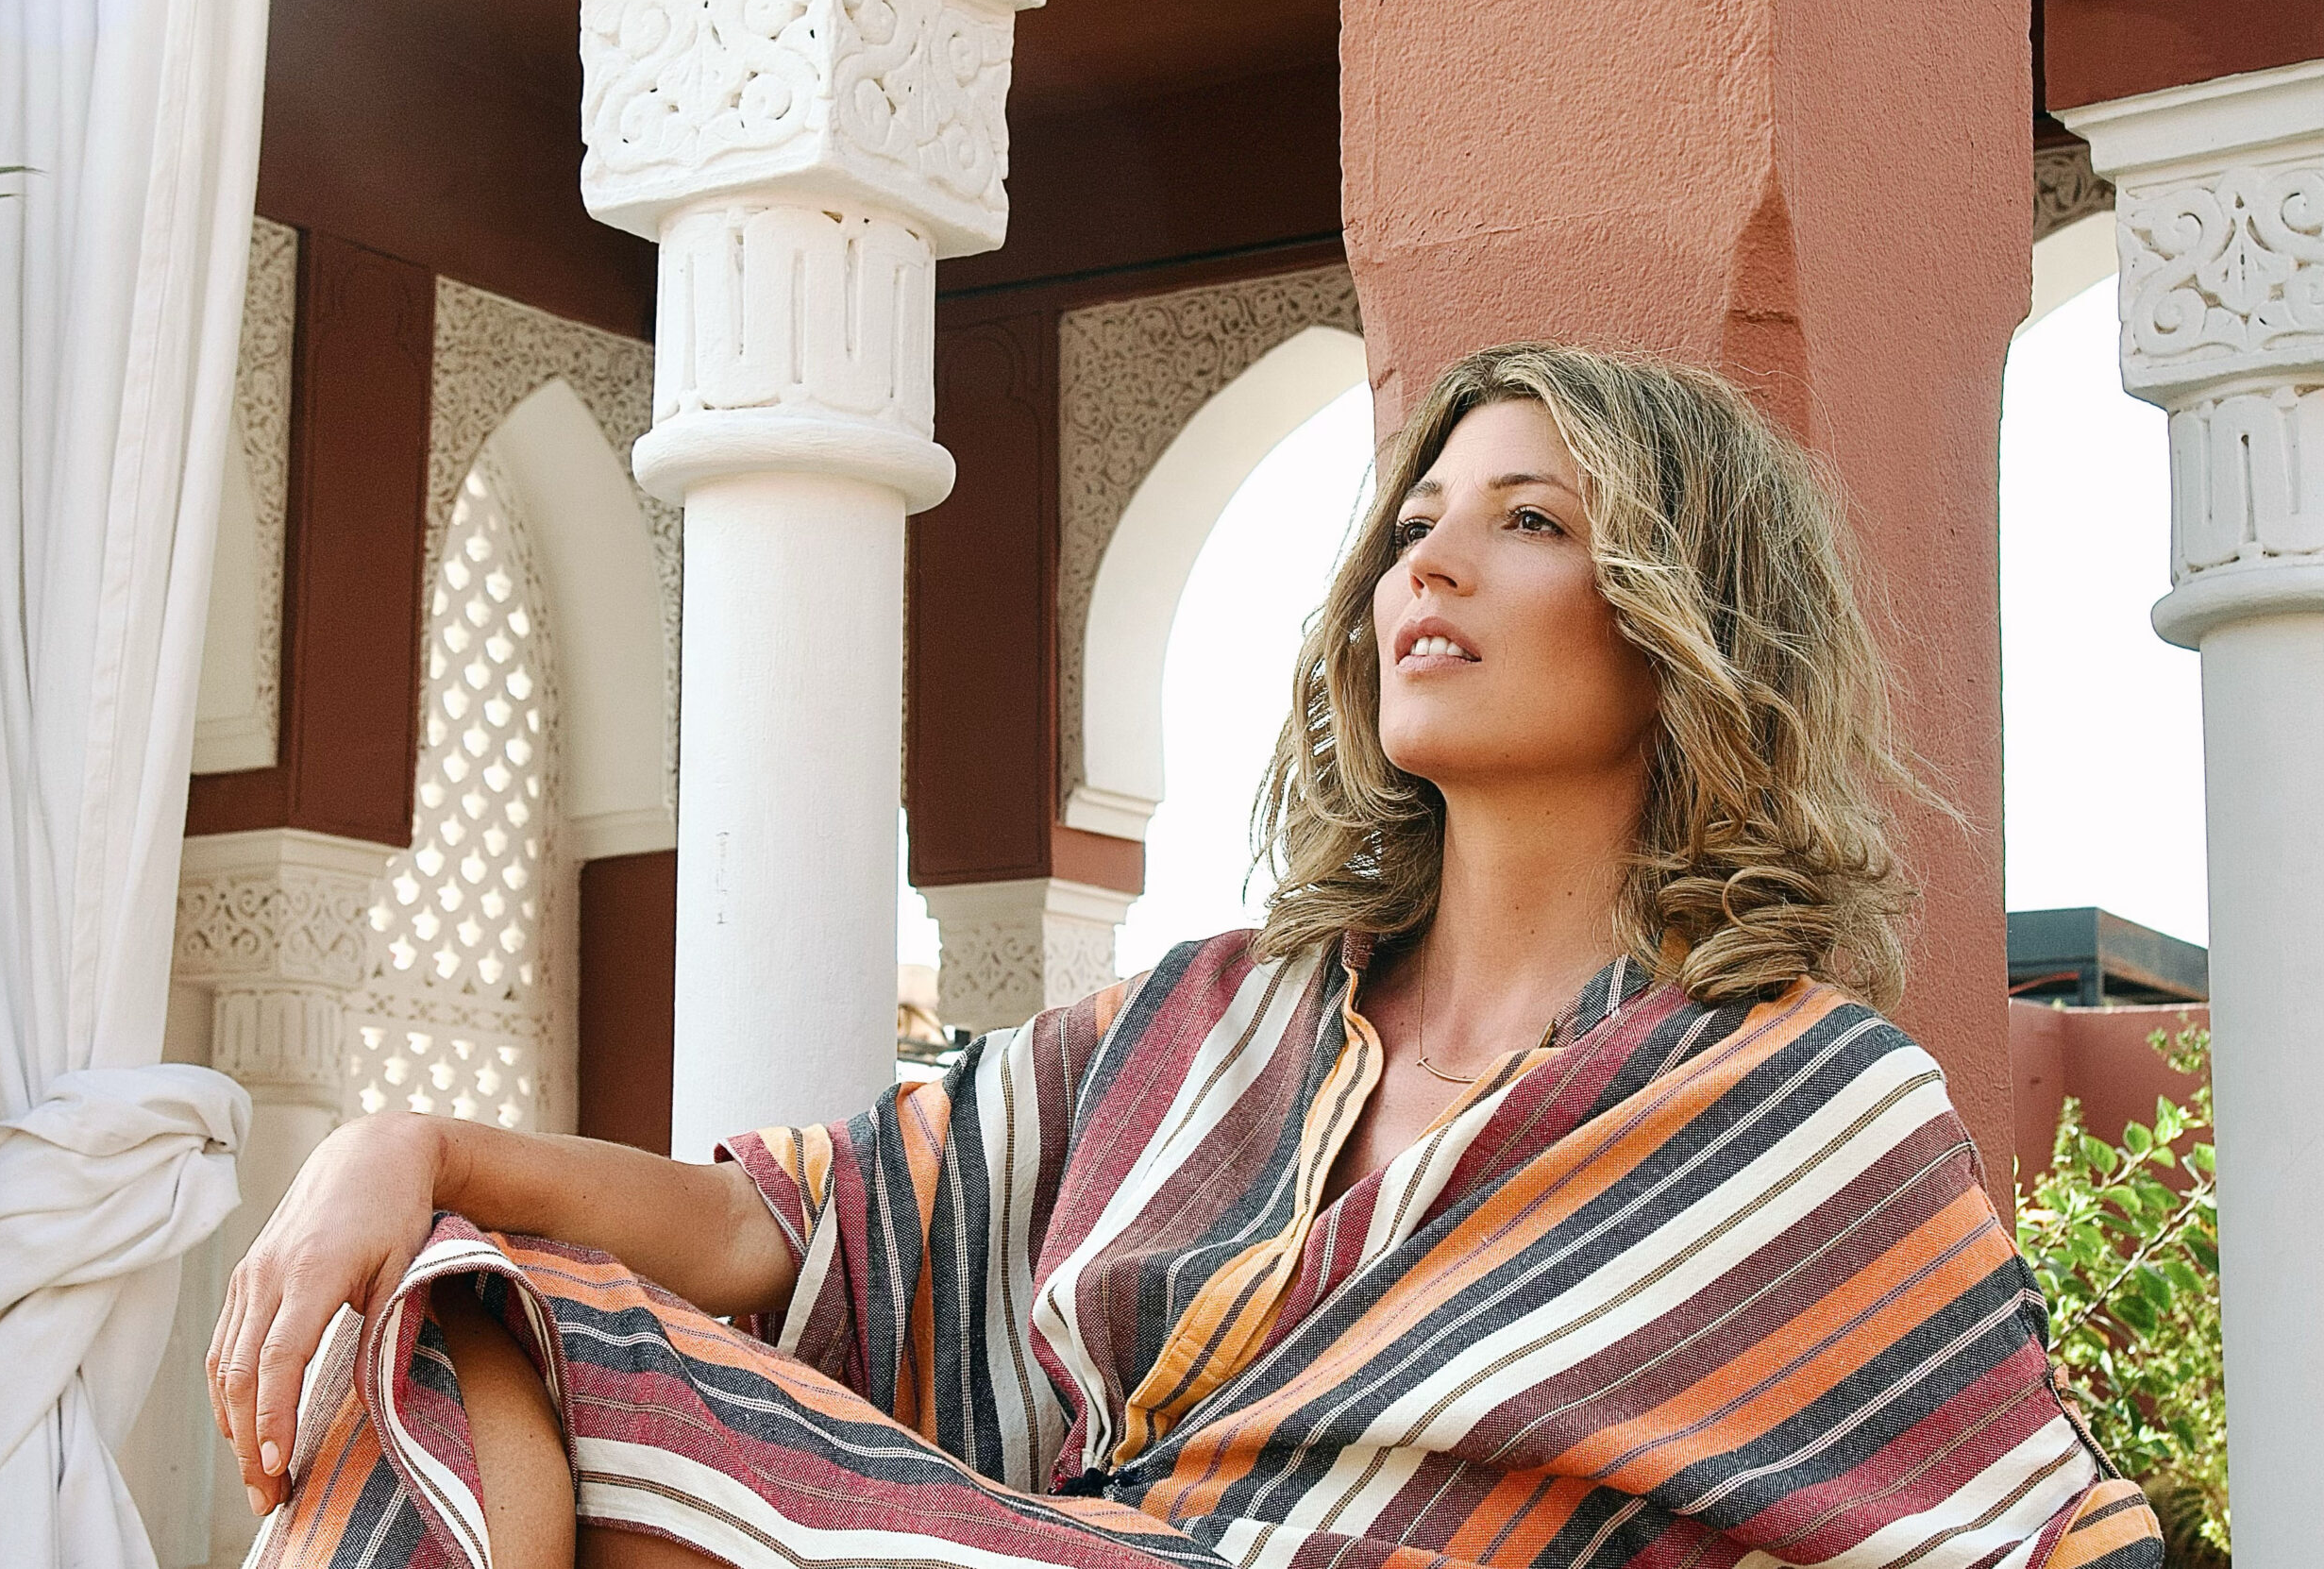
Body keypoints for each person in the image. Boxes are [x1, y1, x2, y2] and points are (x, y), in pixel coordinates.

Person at [214, 344, 2164, 1569]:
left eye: (1526, 521)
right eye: (1411, 522)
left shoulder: (1798, 1105)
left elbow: (2031, 1525)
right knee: (465, 1314)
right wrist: (423, 1153)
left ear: (1676, 616)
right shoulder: (1206, 1024)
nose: (1429, 563)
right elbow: (792, 1239)